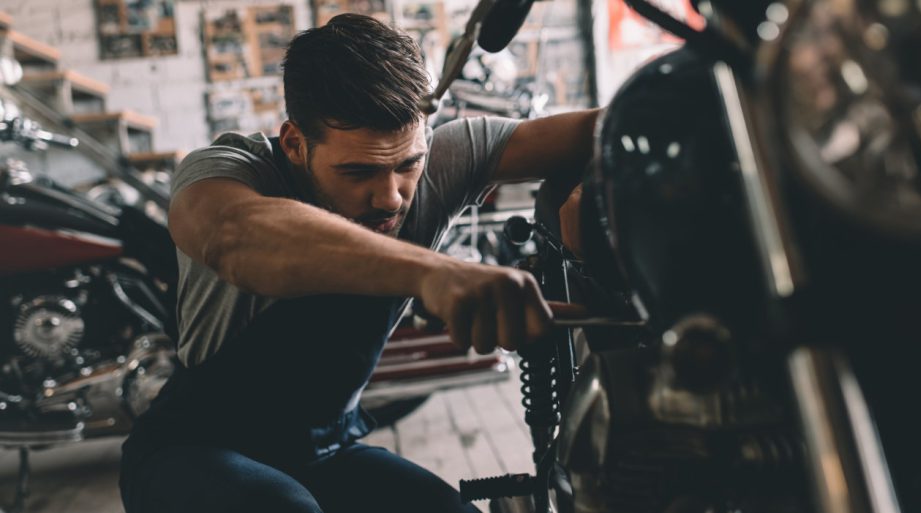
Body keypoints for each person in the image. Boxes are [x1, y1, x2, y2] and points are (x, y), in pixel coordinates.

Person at [119, 13, 597, 513]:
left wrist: (597, 180)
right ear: (295, 144)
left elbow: (612, 129)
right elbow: (235, 235)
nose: (391, 198)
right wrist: (436, 273)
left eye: (407, 164)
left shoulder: (444, 160)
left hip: (325, 452)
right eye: (357, 171)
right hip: (191, 452)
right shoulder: (231, 170)